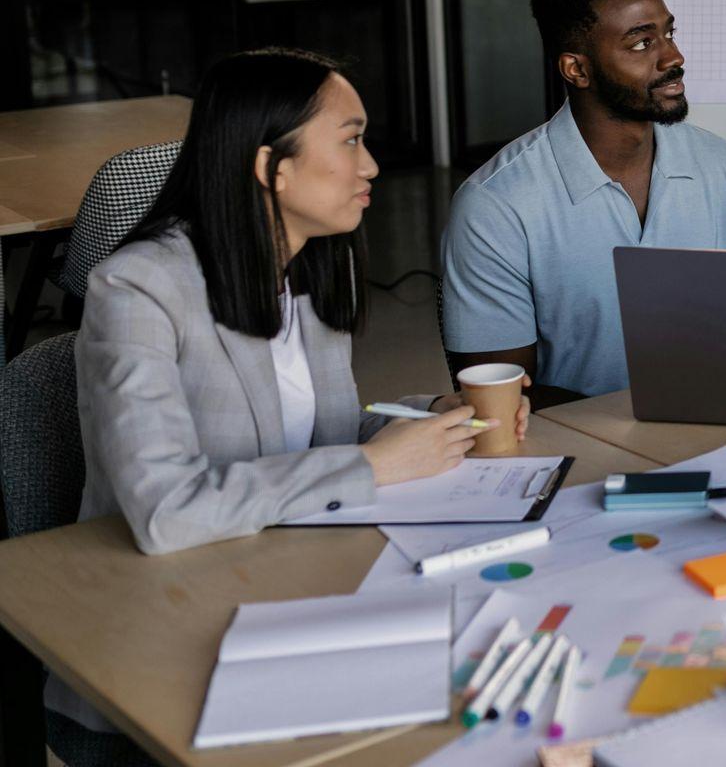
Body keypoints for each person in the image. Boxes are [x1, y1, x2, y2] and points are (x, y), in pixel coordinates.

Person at [51, 50, 525, 743]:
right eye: (351, 139)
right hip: (173, 624)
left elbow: (317, 435)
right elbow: (164, 510)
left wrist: (434, 419)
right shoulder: (139, 290)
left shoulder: (308, 266)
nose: (371, 166)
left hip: (294, 578)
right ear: (270, 166)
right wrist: (375, 466)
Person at [441, 0, 726, 401]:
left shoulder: (720, 165)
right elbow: (500, 406)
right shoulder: (495, 205)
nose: (673, 57)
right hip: (581, 450)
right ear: (577, 69)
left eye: (669, 33)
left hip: (710, 423)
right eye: (643, 43)